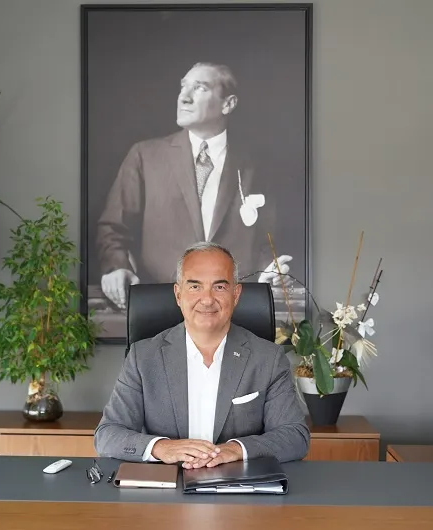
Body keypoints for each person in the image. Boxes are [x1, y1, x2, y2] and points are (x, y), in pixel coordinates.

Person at [93, 242, 310, 468]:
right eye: (195, 286)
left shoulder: (268, 358)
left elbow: (295, 436)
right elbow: (107, 434)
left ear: (236, 295)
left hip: (238, 484)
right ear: (178, 294)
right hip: (166, 484)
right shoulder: (142, 357)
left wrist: (235, 450)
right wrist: (162, 447)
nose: (207, 299)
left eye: (219, 287)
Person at [96, 61, 292, 310]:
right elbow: (113, 228)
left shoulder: (257, 165)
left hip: (233, 309)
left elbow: (266, 240)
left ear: (228, 104)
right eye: (183, 87)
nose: (184, 97)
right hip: (160, 306)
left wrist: (269, 272)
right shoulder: (145, 156)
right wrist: (117, 268)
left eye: (200, 88)